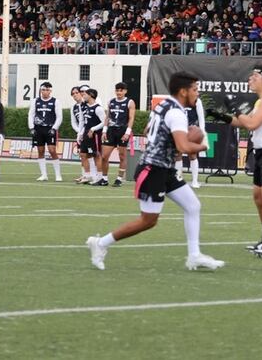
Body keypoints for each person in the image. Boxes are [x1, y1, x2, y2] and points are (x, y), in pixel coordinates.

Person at [86, 72, 224, 272]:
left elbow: (149, 129)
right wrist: (202, 145)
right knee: (148, 221)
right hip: (154, 170)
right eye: (195, 89)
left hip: (164, 167)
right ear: (183, 91)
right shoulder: (176, 113)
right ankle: (100, 244)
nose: (197, 93)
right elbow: (184, 147)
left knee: (193, 206)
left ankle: (194, 255)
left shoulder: (166, 104)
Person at [209, 64, 262, 260]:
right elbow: (243, 122)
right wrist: (221, 115)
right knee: (259, 198)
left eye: (254, 76)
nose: (250, 79)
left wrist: (234, 107)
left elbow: (252, 124)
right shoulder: (261, 101)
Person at [101, 82, 135, 187]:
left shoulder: (130, 102)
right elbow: (107, 117)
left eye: (121, 90)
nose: (119, 92)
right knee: (104, 156)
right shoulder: (111, 102)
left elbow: (131, 118)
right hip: (111, 130)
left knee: (122, 156)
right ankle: (104, 179)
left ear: (125, 91)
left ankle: (119, 179)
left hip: (122, 130)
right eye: (117, 90)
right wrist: (104, 130)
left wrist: (127, 132)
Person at [28, 82, 63, 182]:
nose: (45, 92)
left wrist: (54, 128)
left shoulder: (55, 101)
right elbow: (31, 114)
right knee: (40, 151)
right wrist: (31, 128)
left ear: (50, 91)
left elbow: (59, 117)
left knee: (52, 150)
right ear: (40, 90)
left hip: (50, 128)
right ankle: (44, 175)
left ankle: (58, 175)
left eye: (47, 90)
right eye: (43, 90)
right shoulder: (35, 101)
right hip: (38, 129)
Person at [176, 93, 206, 189]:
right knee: (178, 155)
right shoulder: (178, 99)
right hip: (180, 129)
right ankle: (178, 179)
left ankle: (194, 181)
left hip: (191, 130)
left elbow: (201, 119)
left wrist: (202, 132)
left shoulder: (196, 101)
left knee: (192, 155)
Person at [80, 88, 106, 185]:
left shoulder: (98, 108)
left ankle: (99, 178)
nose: (83, 96)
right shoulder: (85, 107)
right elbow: (84, 122)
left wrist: (93, 129)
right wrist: (80, 133)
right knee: (83, 154)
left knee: (96, 155)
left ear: (90, 95)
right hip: (86, 133)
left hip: (94, 135)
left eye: (85, 94)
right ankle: (88, 175)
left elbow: (104, 122)